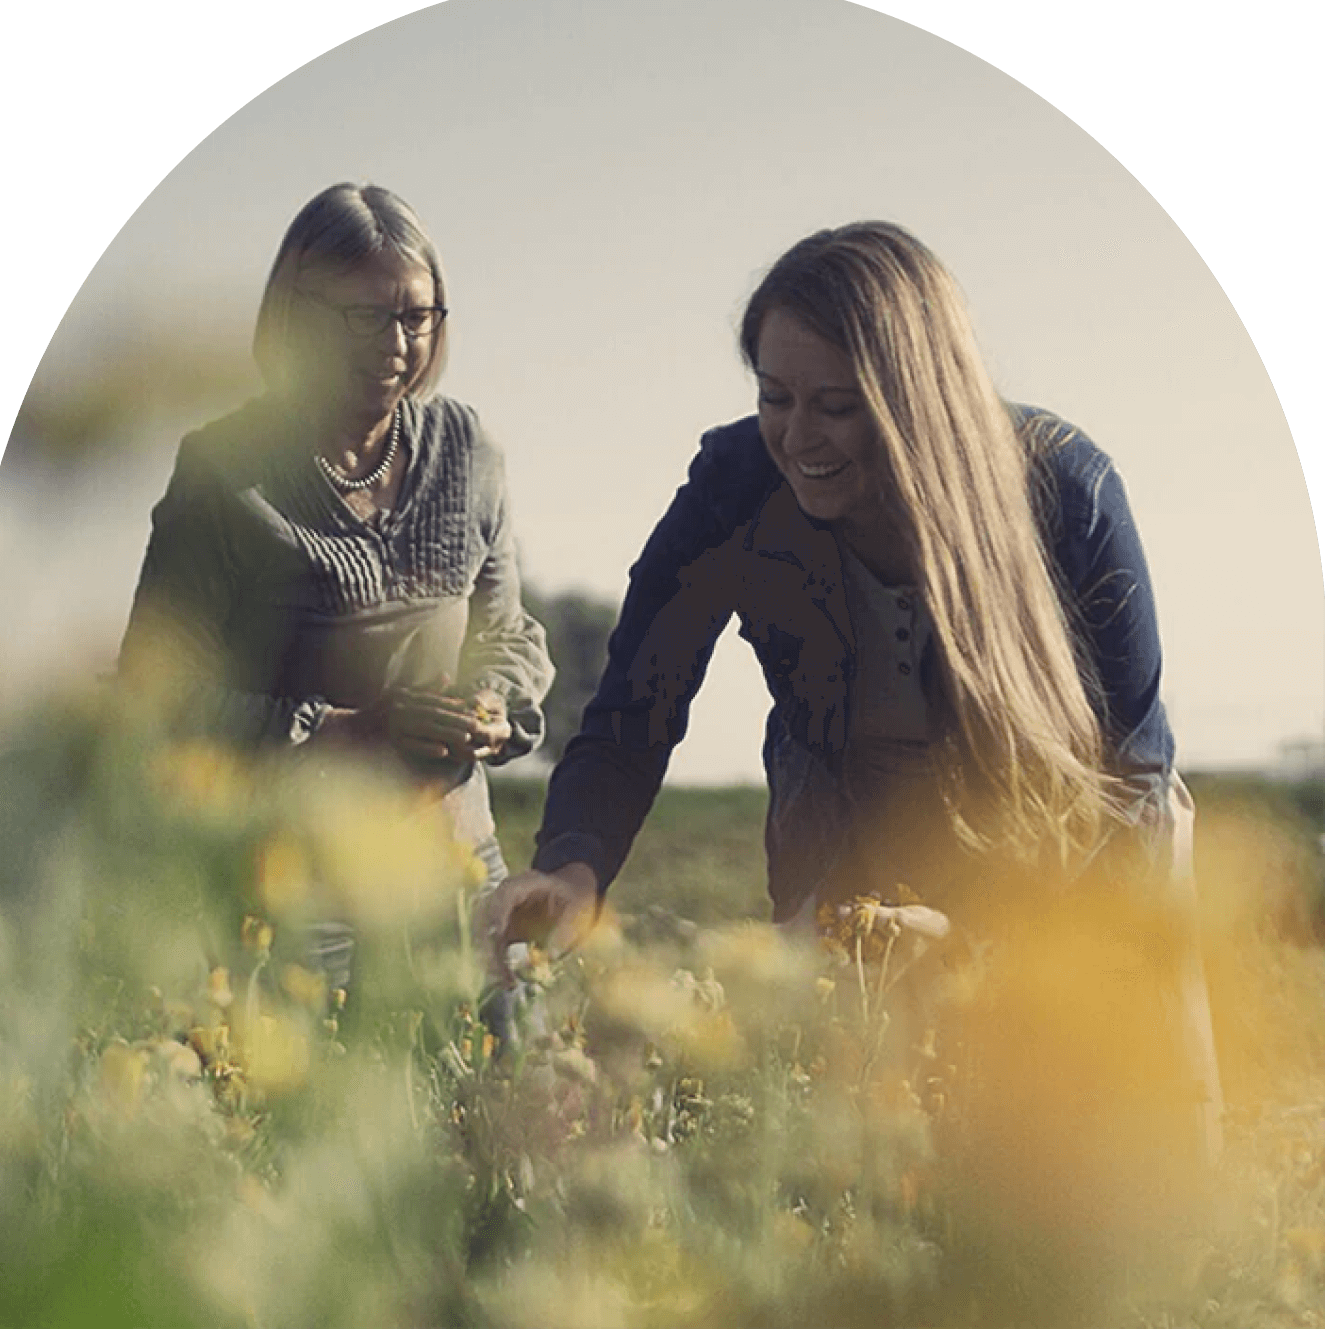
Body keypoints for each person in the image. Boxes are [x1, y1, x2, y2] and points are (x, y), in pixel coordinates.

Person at [483, 220, 1222, 1167]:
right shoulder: (732, 489)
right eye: (773, 396)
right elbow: (634, 710)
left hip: (1072, 846)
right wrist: (574, 864)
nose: (797, 437)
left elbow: (1128, 784)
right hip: (848, 824)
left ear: (919, 400)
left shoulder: (1067, 494)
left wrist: (981, 931)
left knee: (1111, 1159)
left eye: (837, 404)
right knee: (859, 1149)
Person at [119, 182, 554, 994]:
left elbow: (510, 634)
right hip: (290, 888)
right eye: (364, 316)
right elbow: (155, 700)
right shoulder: (222, 472)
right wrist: (349, 731)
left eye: (416, 316)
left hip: (453, 864)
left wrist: (492, 703)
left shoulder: (467, 449)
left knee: (508, 1096)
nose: (395, 343)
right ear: (294, 315)